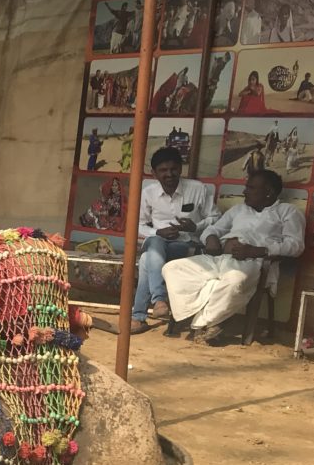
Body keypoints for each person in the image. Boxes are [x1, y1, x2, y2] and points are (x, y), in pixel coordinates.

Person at [161, 169, 305, 345]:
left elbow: (296, 245)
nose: (244, 192)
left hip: (252, 263)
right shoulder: (239, 210)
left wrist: (257, 250)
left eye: (251, 188)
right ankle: (203, 316)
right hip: (221, 258)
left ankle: (204, 324)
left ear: (268, 193)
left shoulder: (287, 212)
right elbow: (214, 229)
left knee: (234, 280)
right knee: (172, 269)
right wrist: (211, 239)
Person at [130, 146, 217, 333]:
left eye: (173, 169)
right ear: (154, 173)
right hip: (157, 244)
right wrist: (158, 233)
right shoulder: (149, 193)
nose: (169, 174)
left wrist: (195, 226)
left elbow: (216, 218)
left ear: (180, 168)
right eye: (163, 170)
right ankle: (158, 301)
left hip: (186, 245)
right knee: (153, 246)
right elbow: (137, 224)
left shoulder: (197, 189)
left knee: (147, 258)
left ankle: (141, 315)